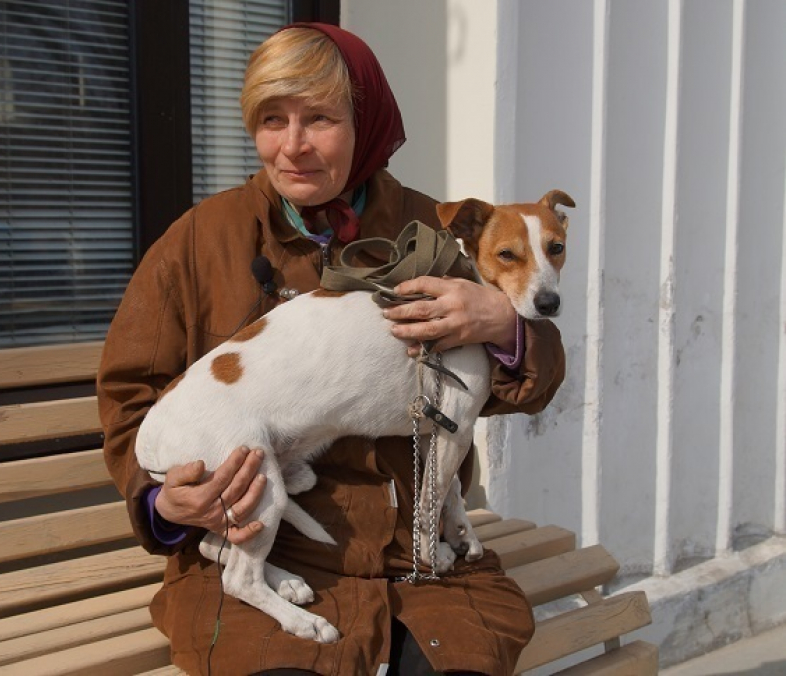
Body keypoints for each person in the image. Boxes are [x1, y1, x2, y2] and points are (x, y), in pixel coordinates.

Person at [97, 22, 565, 676]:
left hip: (419, 557)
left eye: (319, 118)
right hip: (269, 542)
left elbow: (530, 380)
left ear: (365, 121)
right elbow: (130, 403)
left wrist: (503, 324)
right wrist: (163, 504)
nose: (292, 146)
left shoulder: (435, 233)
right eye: (271, 119)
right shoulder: (199, 244)